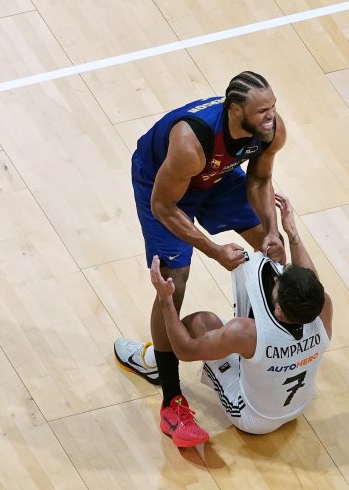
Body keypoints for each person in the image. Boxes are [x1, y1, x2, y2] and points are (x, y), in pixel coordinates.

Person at [114, 71, 288, 439]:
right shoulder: (190, 142)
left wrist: (271, 229)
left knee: (274, 255)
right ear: (235, 110)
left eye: (272, 107)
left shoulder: (268, 130)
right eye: (262, 111)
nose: (270, 116)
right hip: (163, 186)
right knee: (173, 282)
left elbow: (258, 180)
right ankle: (170, 395)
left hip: (216, 177)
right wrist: (212, 249)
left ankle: (264, 350)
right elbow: (162, 206)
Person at [147, 193, 332, 446]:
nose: (276, 277)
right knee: (236, 340)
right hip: (297, 407)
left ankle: (158, 362)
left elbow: (184, 350)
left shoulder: (245, 333)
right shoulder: (322, 308)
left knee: (203, 323)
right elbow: (311, 280)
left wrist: (166, 301)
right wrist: (292, 234)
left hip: (254, 418)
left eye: (277, 284)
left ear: (278, 310)